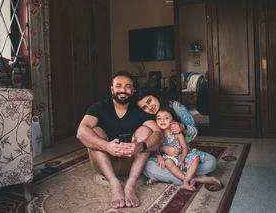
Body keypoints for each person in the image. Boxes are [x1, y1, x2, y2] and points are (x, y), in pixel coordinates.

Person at [77, 72, 163, 209]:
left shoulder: (140, 110)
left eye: (127, 86)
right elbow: (81, 132)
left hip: (132, 162)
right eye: (118, 86)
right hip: (104, 164)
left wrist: (141, 146)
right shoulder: (98, 107)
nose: (123, 90)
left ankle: (130, 185)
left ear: (133, 90)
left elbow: (159, 133)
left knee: (147, 131)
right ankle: (114, 184)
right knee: (94, 131)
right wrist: (106, 146)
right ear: (112, 89)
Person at [136, 87, 221, 187]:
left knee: (211, 163)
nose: (149, 108)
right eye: (144, 107)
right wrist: (163, 148)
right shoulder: (146, 117)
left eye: (149, 101)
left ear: (155, 95)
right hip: (163, 159)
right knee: (147, 168)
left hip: (183, 156)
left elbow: (194, 131)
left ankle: (171, 176)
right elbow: (146, 146)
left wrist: (183, 127)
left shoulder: (175, 106)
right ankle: (195, 178)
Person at [155, 106, 220, 191]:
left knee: (196, 158)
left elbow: (185, 148)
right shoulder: (158, 135)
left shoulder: (177, 133)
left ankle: (185, 180)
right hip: (169, 159)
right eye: (159, 118)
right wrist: (159, 156)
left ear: (173, 121)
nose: (162, 120)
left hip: (182, 156)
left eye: (166, 118)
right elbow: (155, 149)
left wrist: (182, 160)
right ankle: (194, 179)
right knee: (167, 162)